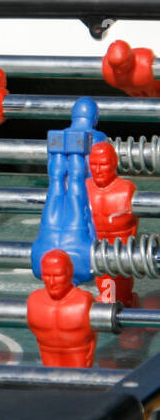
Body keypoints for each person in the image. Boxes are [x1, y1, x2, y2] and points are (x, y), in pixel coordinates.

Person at [86, 141, 138, 306]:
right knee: (104, 279)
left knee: (121, 282)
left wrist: (129, 244)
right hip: (96, 242)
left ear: (114, 163)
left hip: (120, 244)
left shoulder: (126, 189)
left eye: (103, 164)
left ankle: (125, 300)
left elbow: (135, 221)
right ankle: (110, 300)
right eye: (94, 165)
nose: (98, 169)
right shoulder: (84, 188)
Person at [26, 249, 96, 368]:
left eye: (58, 275)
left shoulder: (84, 301)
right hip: (47, 355)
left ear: (69, 272)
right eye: (47, 275)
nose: (52, 282)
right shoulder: (34, 300)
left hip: (78, 356)